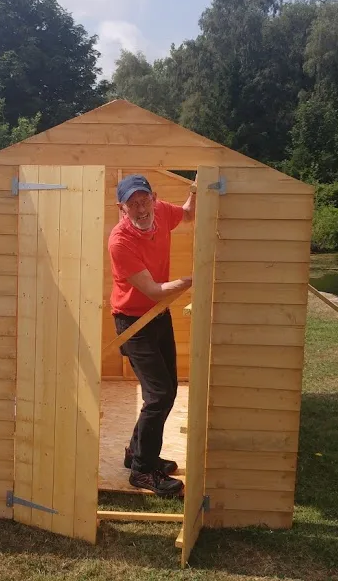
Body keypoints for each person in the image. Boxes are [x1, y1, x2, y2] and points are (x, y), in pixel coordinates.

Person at [107, 174, 195, 497]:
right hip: (133, 322)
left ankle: (136, 453)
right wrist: (195, 279)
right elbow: (155, 290)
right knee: (158, 395)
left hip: (158, 315)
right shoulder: (120, 241)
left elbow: (188, 214)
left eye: (145, 200)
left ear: (154, 198)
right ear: (122, 207)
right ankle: (143, 471)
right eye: (133, 204)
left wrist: (196, 190)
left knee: (167, 389)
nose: (141, 209)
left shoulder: (162, 212)